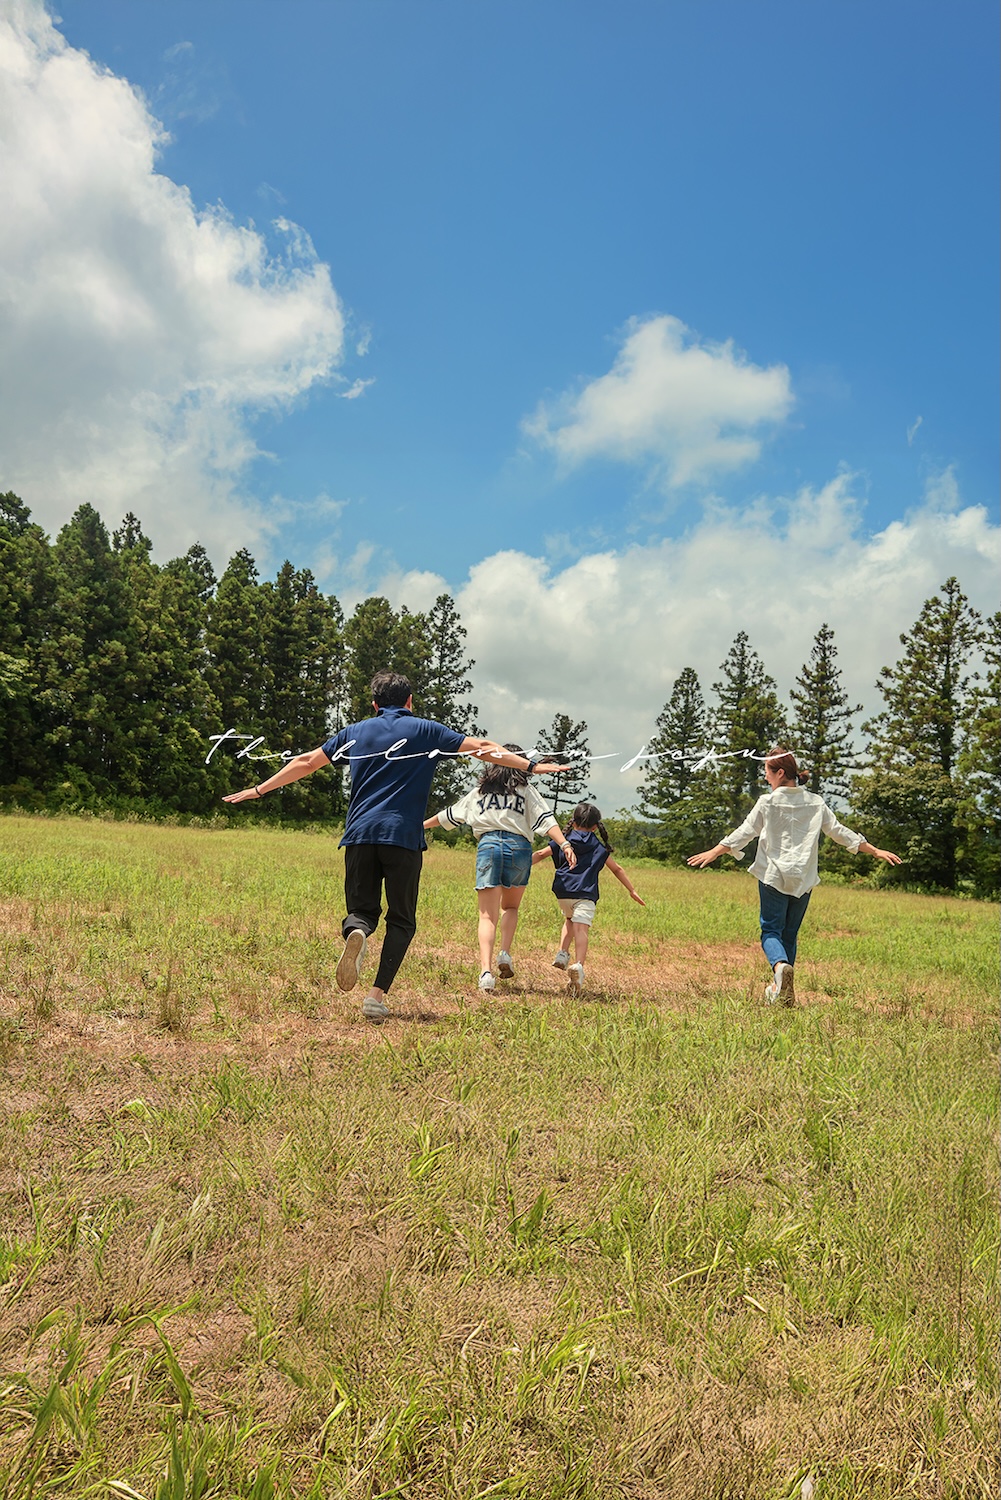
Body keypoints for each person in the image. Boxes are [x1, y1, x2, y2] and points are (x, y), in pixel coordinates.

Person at [222, 671, 570, 1022]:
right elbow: (483, 748)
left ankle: (357, 930)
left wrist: (258, 790)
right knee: (401, 920)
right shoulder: (425, 730)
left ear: (374, 704)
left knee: (362, 911)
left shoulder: (354, 733)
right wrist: (531, 765)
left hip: (359, 834)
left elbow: (306, 762)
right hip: (403, 838)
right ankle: (376, 995)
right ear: (410, 701)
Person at [686, 746, 902, 1005]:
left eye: (767, 772)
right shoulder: (815, 802)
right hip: (803, 880)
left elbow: (746, 831)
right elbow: (838, 831)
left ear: (779, 773)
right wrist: (874, 850)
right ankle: (782, 993)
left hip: (774, 877)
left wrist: (716, 851)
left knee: (770, 933)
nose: (765, 778)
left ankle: (779, 970)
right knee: (789, 934)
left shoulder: (768, 802)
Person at [423, 746, 577, 992]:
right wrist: (565, 843)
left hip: (489, 845)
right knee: (511, 907)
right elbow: (547, 820)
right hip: (519, 848)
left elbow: (447, 816)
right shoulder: (527, 791)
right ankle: (504, 953)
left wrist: (420, 826)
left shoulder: (479, 793)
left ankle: (486, 972)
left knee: (487, 915)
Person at [532, 801, 645, 993]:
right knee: (581, 928)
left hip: (563, 892)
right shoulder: (598, 847)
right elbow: (617, 869)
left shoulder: (564, 840)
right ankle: (578, 965)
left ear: (573, 821)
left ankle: (562, 952)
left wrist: (518, 866)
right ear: (595, 827)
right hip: (585, 893)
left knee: (569, 919)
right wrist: (632, 890)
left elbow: (541, 853)